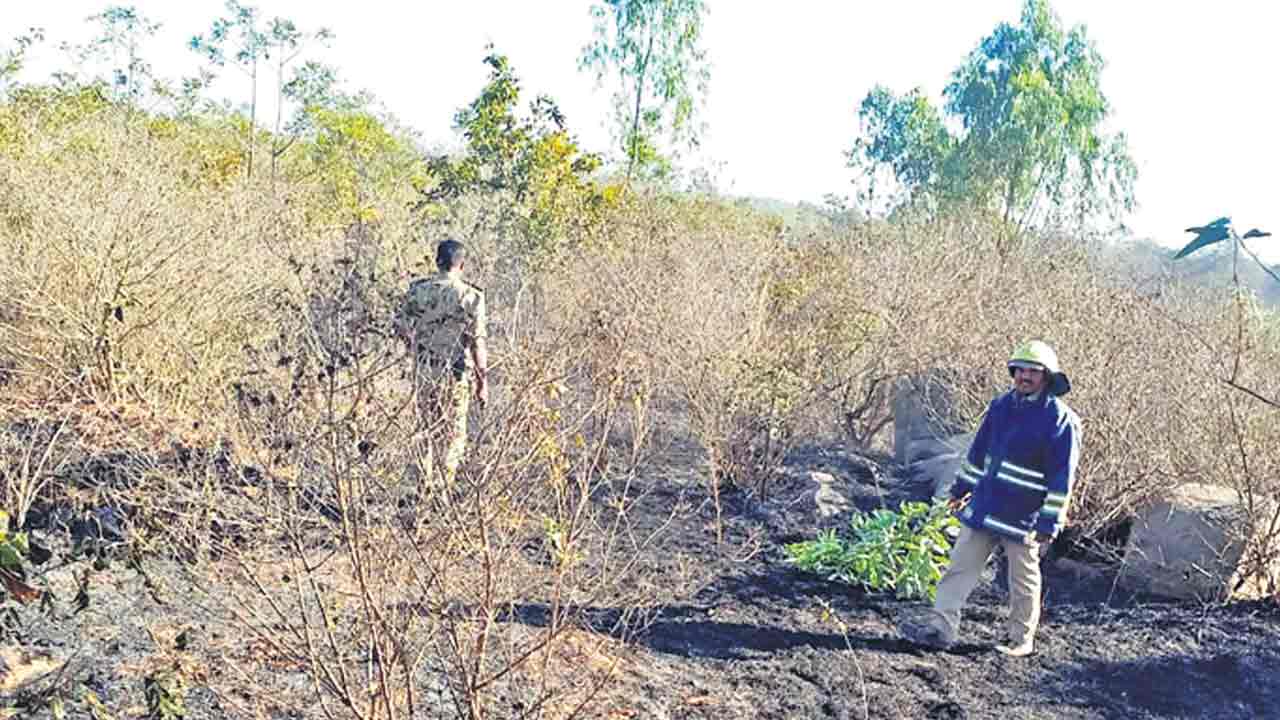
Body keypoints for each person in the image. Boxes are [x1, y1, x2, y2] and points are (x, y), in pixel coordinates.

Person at [900, 340, 1081, 657]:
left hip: (1024, 514)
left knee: (1023, 581)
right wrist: (960, 490)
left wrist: (1050, 522)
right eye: (1020, 370)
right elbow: (978, 453)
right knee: (958, 569)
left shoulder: (1061, 420)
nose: (1025, 376)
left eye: (1033, 371)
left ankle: (1021, 640)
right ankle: (941, 630)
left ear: (1047, 376)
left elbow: (1062, 478)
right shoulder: (1001, 407)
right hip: (985, 505)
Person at [394, 239, 489, 489]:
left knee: (424, 429)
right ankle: (441, 490)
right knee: (453, 434)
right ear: (462, 265)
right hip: (454, 373)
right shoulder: (472, 297)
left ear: (437, 261)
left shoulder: (417, 291)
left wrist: (416, 348)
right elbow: (477, 343)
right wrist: (482, 383)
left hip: (425, 369)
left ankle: (419, 488)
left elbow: (401, 327)